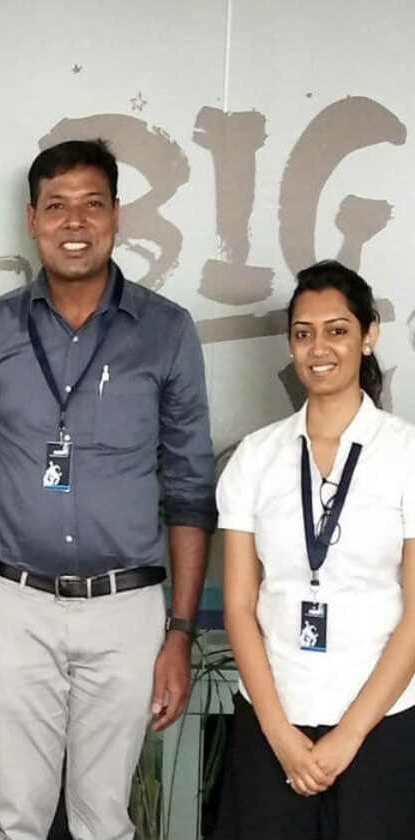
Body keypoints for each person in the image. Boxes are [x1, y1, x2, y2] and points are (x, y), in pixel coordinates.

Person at [0, 139, 216, 840]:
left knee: (104, 821)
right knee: (15, 817)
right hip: (15, 607)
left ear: (116, 215)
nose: (75, 222)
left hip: (126, 611)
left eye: (92, 205)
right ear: (32, 219)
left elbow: (190, 488)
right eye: (57, 206)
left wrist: (180, 633)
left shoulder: (165, 332)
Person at [214, 261, 415, 839]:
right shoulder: (256, 457)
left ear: (369, 335)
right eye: (304, 333)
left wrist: (349, 735)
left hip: (381, 724)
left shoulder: (404, 455)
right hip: (273, 721)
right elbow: (239, 608)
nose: (319, 348)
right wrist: (279, 733)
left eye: (338, 330)